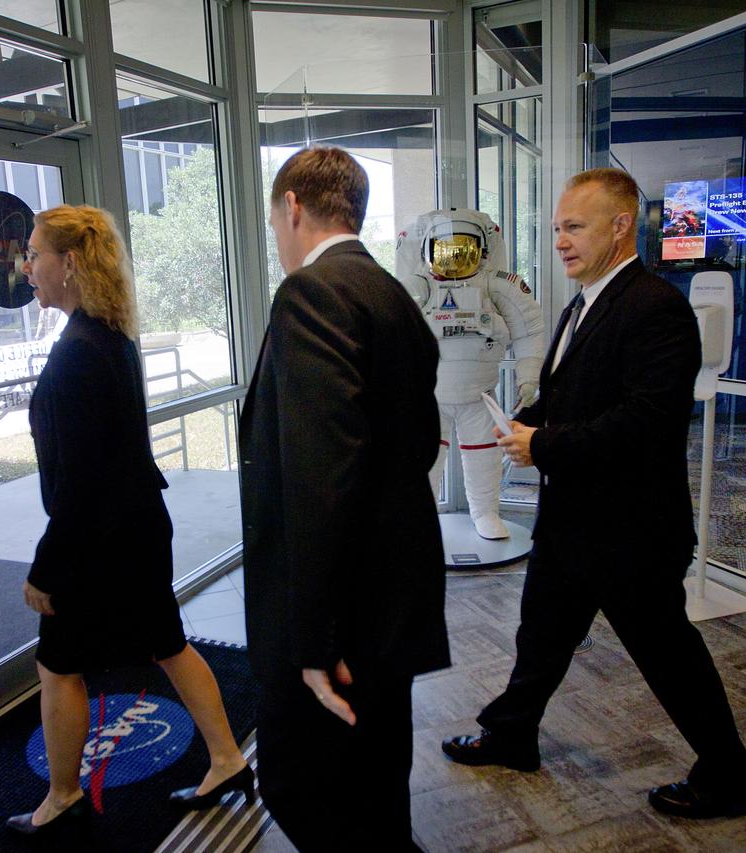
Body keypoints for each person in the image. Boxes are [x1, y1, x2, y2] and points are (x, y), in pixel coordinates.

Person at [441, 168, 746, 819]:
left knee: (668, 654)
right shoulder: (584, 300)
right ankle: (511, 735)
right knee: (542, 633)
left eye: (575, 226)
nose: (560, 240)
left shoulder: (657, 308)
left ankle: (730, 775)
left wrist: (544, 447)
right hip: (575, 523)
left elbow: (649, 422)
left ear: (621, 227)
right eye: (558, 227)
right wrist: (532, 424)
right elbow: (579, 395)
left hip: (631, 532)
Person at [9, 205, 250, 840]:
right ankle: (227, 760)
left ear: (69, 263)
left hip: (102, 541)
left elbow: (84, 481)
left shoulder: (82, 351)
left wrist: (46, 568)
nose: (25, 266)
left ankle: (62, 797)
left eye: (34, 254)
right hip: (135, 527)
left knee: (59, 664)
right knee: (166, 643)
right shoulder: (107, 336)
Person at [240, 147, 450, 851]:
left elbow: (320, 476)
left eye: (275, 221)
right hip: (390, 603)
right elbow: (420, 441)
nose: (278, 237)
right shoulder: (390, 293)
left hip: (342, 620)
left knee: (303, 790)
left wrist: (314, 643)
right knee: (376, 785)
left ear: (293, 208)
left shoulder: (311, 293)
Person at [395, 208, 544, 538]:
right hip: (429, 396)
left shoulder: (497, 286)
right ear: (427, 249)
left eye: (464, 250)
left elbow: (528, 327)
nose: (455, 258)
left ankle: (485, 512)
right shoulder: (417, 287)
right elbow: (389, 329)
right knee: (425, 459)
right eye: (446, 250)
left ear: (483, 250)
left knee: (484, 456)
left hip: (479, 395)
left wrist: (529, 375)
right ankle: (422, 518)